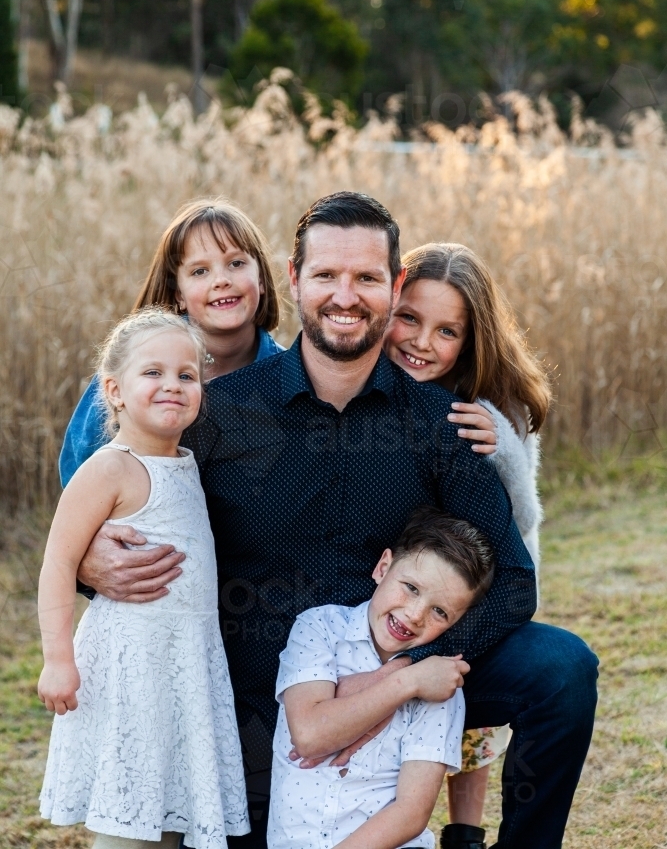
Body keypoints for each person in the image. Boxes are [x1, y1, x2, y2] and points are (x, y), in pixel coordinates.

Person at [75, 192, 598, 849]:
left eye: (366, 278)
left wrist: (398, 674)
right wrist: (88, 561)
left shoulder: (435, 424)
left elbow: (513, 582)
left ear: (394, 284)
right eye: (325, 275)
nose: (344, 296)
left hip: (400, 653)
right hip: (253, 697)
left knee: (561, 667)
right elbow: (117, 503)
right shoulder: (218, 414)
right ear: (293, 279)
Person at [38, 310, 249, 849]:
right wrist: (58, 660)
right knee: (127, 820)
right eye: (152, 373)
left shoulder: (188, 464)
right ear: (115, 390)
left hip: (182, 667)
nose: (172, 385)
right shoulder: (110, 468)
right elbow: (59, 563)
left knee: (170, 813)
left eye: (186, 375)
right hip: (130, 670)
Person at [384, 242, 552, 849]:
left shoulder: (490, 404)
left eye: (446, 330)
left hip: (485, 585)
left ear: (472, 338)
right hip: (409, 575)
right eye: (410, 318)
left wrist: (502, 445)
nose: (421, 342)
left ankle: (465, 833)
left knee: (471, 723)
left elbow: (527, 515)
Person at [269, 507, 495, 849]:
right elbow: (310, 736)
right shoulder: (320, 628)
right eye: (411, 588)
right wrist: (407, 682)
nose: (415, 615)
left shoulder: (443, 688)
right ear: (383, 567)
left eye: (439, 611)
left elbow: (410, 814)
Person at [59, 198, 283, 489]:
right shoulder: (136, 362)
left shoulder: (288, 381)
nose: (221, 280)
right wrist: (98, 532)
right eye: (199, 271)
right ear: (178, 293)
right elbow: (80, 464)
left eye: (236, 263)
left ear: (262, 279)